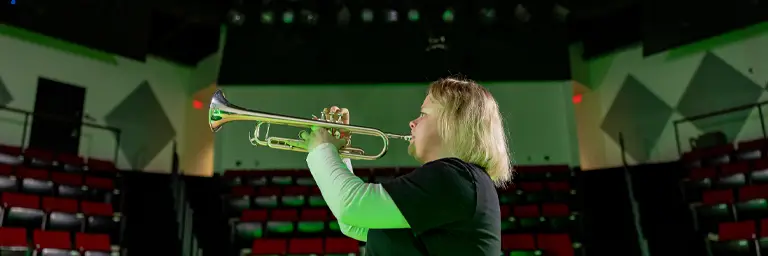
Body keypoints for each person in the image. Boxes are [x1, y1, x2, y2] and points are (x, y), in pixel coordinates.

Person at [292, 77, 513, 256]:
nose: (412, 123)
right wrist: (337, 154)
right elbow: (355, 222)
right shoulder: (458, 181)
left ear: (453, 124)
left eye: (424, 114)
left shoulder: (455, 177)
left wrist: (321, 149)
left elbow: (351, 207)